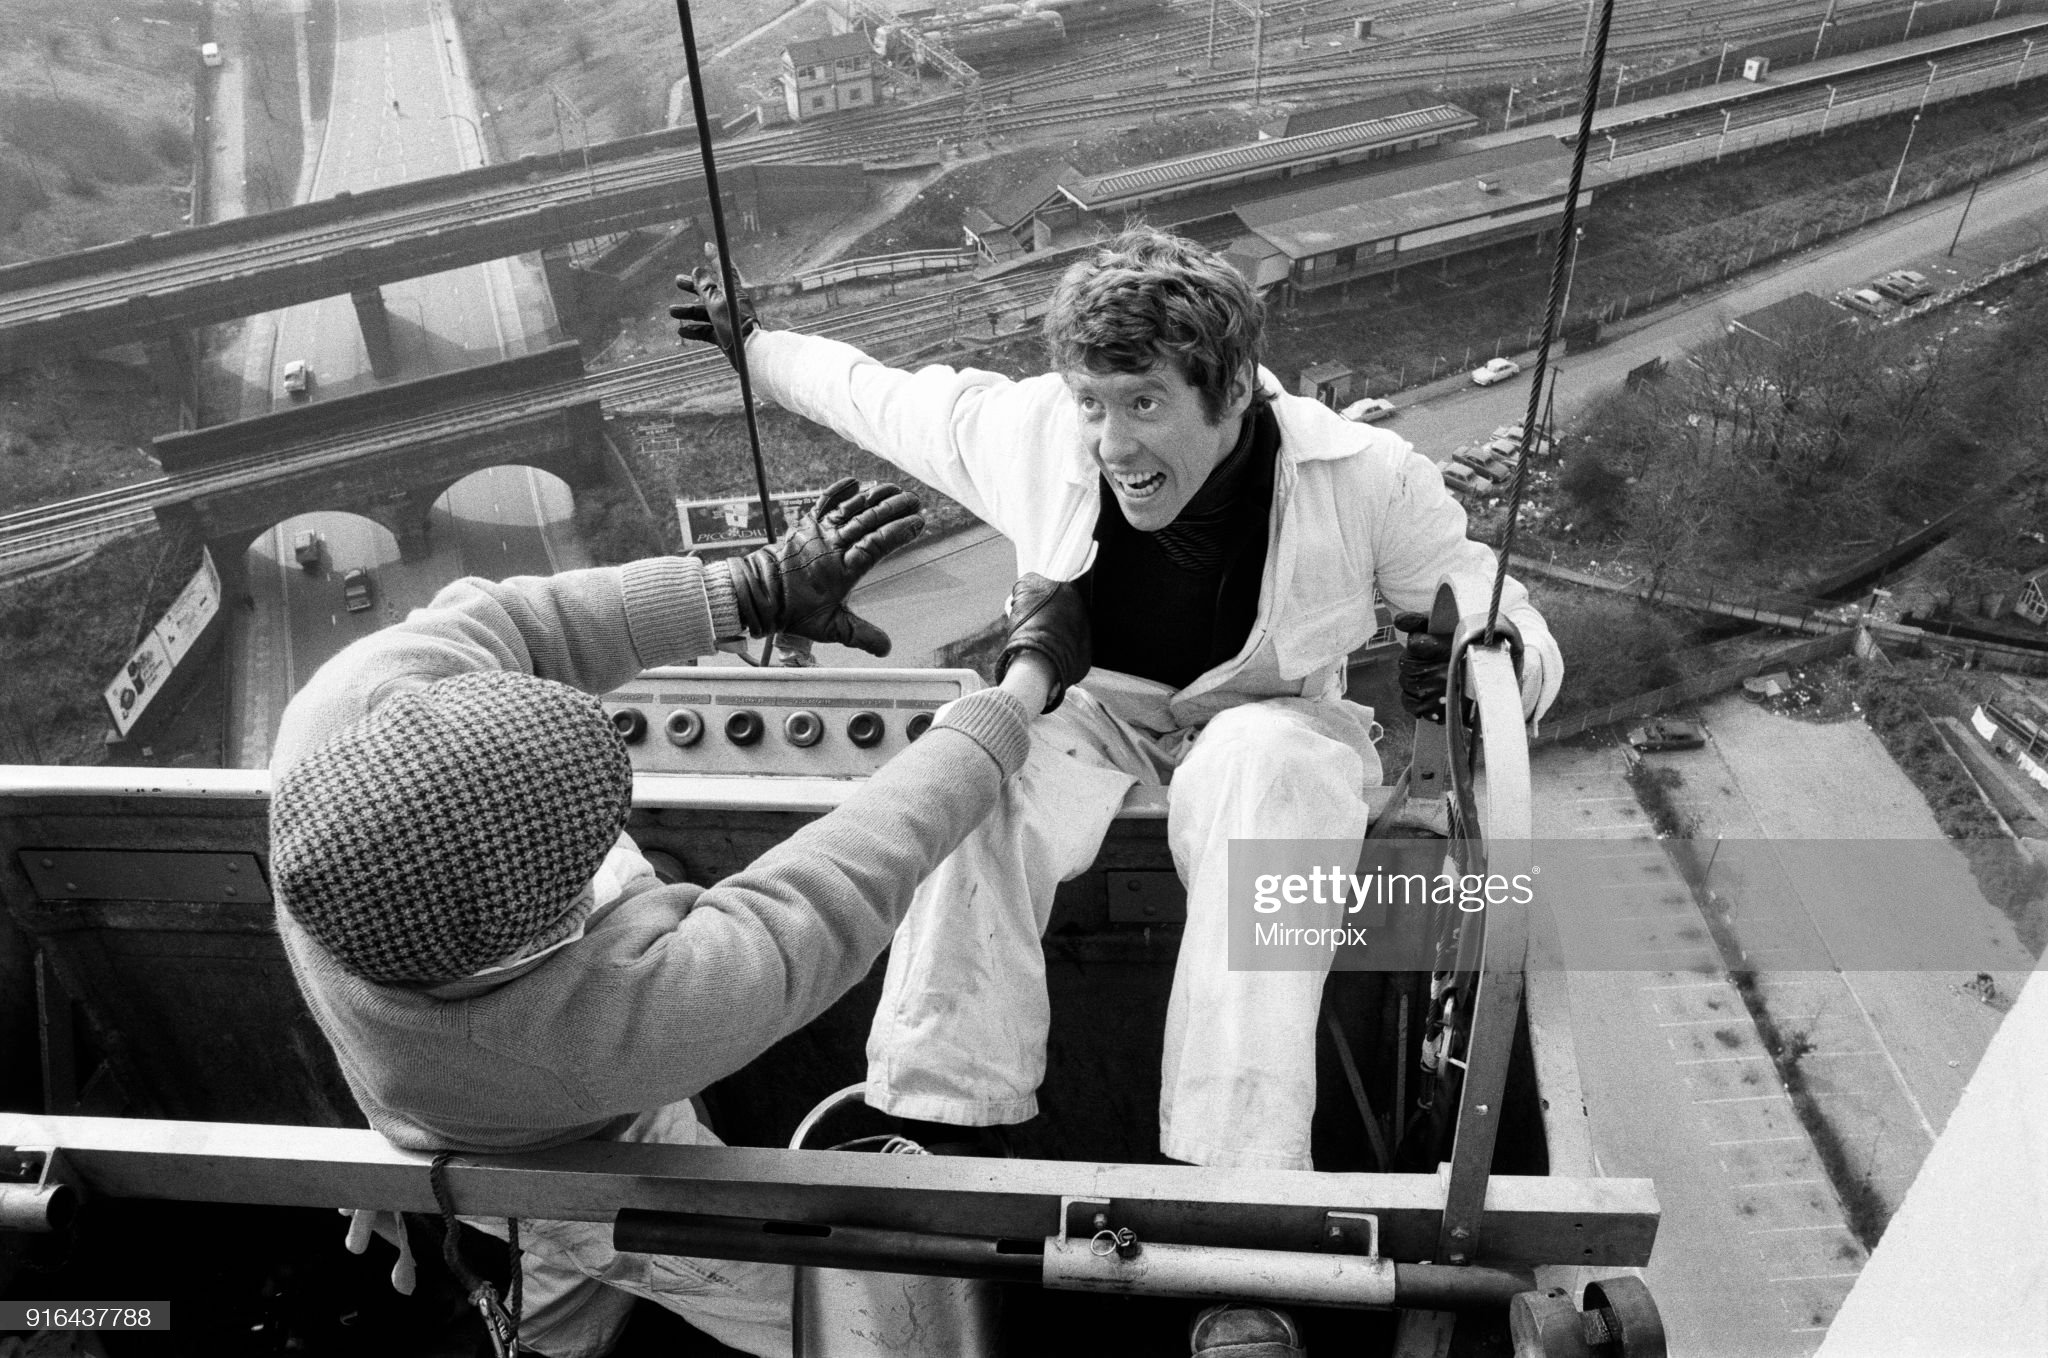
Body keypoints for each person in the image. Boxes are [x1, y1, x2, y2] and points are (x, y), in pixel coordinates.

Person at [671, 226, 1562, 1172]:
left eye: (1143, 402)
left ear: (1228, 389)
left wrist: (1479, 661)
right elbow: (872, 395)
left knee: (1262, 774)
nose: (1111, 443)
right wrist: (755, 347)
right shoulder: (1030, 432)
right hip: (1097, 716)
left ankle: (1238, 1172)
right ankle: (942, 1117)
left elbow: (1498, 611)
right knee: (978, 760)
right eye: (1093, 402)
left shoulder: (1366, 477)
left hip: (1278, 722)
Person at [266, 479, 1091, 1358]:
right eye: (588, 861)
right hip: (596, 1162)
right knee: (856, 1330)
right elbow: (819, 898)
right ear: (550, 937)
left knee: (549, 1305)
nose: (616, 859)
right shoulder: (573, 1039)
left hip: (471, 1121)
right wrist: (1016, 695)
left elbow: (518, 625)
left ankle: (546, 1333)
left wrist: (748, 589)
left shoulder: (341, 722)